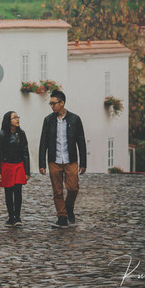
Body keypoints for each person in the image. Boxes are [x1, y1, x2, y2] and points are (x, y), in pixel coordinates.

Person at [38, 90, 87, 228]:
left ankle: (69, 207)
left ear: (62, 103)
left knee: (73, 188)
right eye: (50, 103)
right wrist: (42, 163)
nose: (52, 106)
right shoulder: (48, 120)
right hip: (54, 159)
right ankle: (62, 216)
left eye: (54, 103)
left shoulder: (75, 119)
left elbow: (81, 141)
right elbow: (43, 142)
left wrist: (83, 163)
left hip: (70, 159)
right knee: (57, 191)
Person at [0, 111, 30, 227]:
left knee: (18, 191)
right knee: (8, 192)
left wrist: (27, 171)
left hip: (18, 165)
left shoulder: (21, 134)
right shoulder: (2, 134)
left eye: (17, 117)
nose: (17, 119)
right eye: (14, 118)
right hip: (7, 166)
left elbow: (25, 153)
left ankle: (18, 217)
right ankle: (11, 216)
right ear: (8, 121)